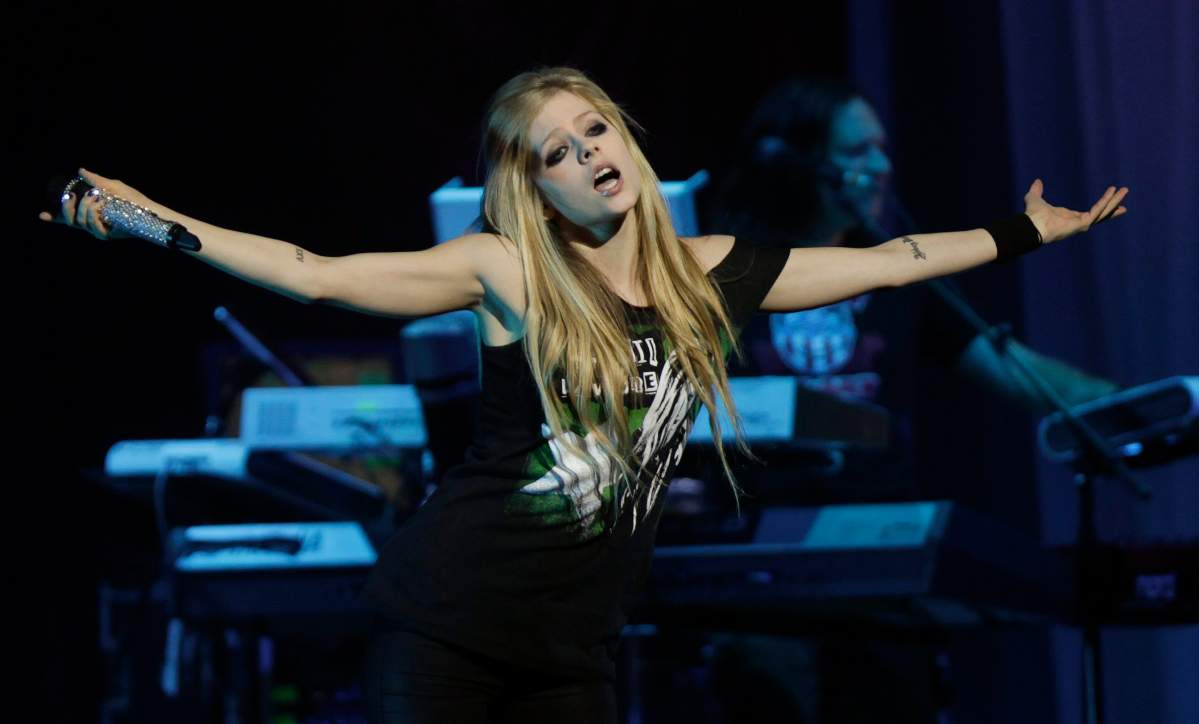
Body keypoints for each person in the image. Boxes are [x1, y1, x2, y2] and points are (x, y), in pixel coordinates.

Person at [39, 66, 1127, 724]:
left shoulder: (716, 267)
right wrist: (153, 220)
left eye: (593, 128)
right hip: (447, 628)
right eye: (555, 150)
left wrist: (1024, 230)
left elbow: (890, 259)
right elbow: (314, 269)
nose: (585, 152)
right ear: (538, 186)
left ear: (625, 140)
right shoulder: (507, 270)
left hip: (573, 645)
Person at [704, 77, 1124, 723]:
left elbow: (1018, 373)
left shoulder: (893, 277)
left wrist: (1149, 404)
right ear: (797, 161)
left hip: (881, 586)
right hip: (756, 591)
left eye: (881, 147)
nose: (881, 164)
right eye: (858, 150)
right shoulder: (720, 272)